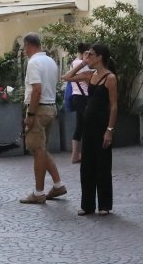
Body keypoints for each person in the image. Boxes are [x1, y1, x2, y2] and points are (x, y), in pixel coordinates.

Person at [17, 33, 67, 205]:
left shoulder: (33, 62)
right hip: (51, 107)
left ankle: (39, 193)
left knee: (37, 150)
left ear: (28, 45)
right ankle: (58, 185)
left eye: (25, 47)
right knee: (42, 149)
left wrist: (30, 114)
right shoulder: (50, 61)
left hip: (39, 109)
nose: (24, 51)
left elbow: (36, 89)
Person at [76, 43, 119, 216]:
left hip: (102, 125)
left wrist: (110, 129)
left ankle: (104, 205)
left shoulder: (110, 78)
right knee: (87, 165)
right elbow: (66, 77)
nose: (88, 57)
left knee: (103, 165)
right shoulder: (90, 75)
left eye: (91, 54)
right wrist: (83, 62)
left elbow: (114, 106)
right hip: (88, 125)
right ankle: (87, 205)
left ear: (100, 57)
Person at [62, 42, 91, 165]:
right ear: (86, 52)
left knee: (80, 125)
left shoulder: (74, 63)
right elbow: (89, 80)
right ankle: (86, 154)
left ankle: (75, 154)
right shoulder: (82, 64)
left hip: (76, 96)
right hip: (83, 97)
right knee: (88, 125)